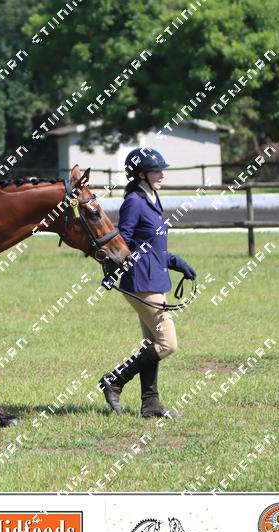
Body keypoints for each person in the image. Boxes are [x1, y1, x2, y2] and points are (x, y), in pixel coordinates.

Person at [98, 148, 196, 418]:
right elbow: (124, 242)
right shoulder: (134, 202)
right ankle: (114, 380)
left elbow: (151, 245)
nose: (162, 175)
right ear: (141, 174)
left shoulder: (152, 199)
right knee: (168, 344)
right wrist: (112, 270)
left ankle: (151, 405)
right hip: (141, 282)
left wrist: (176, 262)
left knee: (151, 343)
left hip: (155, 278)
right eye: (156, 171)